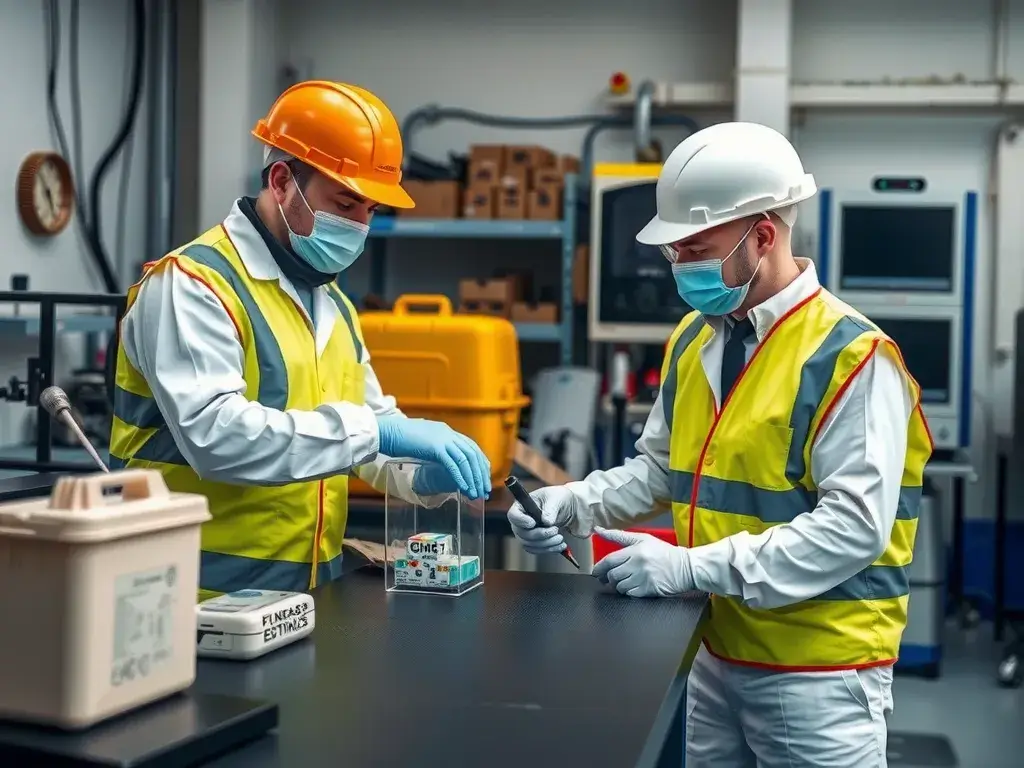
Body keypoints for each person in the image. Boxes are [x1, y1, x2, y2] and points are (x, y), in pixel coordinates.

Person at [507, 122, 933, 767]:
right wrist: (570, 502)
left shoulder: (853, 356)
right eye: (674, 249)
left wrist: (687, 567)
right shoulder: (696, 338)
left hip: (816, 673)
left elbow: (853, 528)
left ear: (763, 236)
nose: (679, 264)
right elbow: (659, 470)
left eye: (695, 247)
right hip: (711, 651)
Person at [110, 81, 491, 601]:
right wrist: (383, 436)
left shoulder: (332, 305)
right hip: (190, 602)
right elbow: (218, 439)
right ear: (283, 180)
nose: (359, 225)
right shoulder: (193, 285)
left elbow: (368, 433)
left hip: (307, 603)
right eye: (346, 202)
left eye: (371, 211)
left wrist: (423, 477)